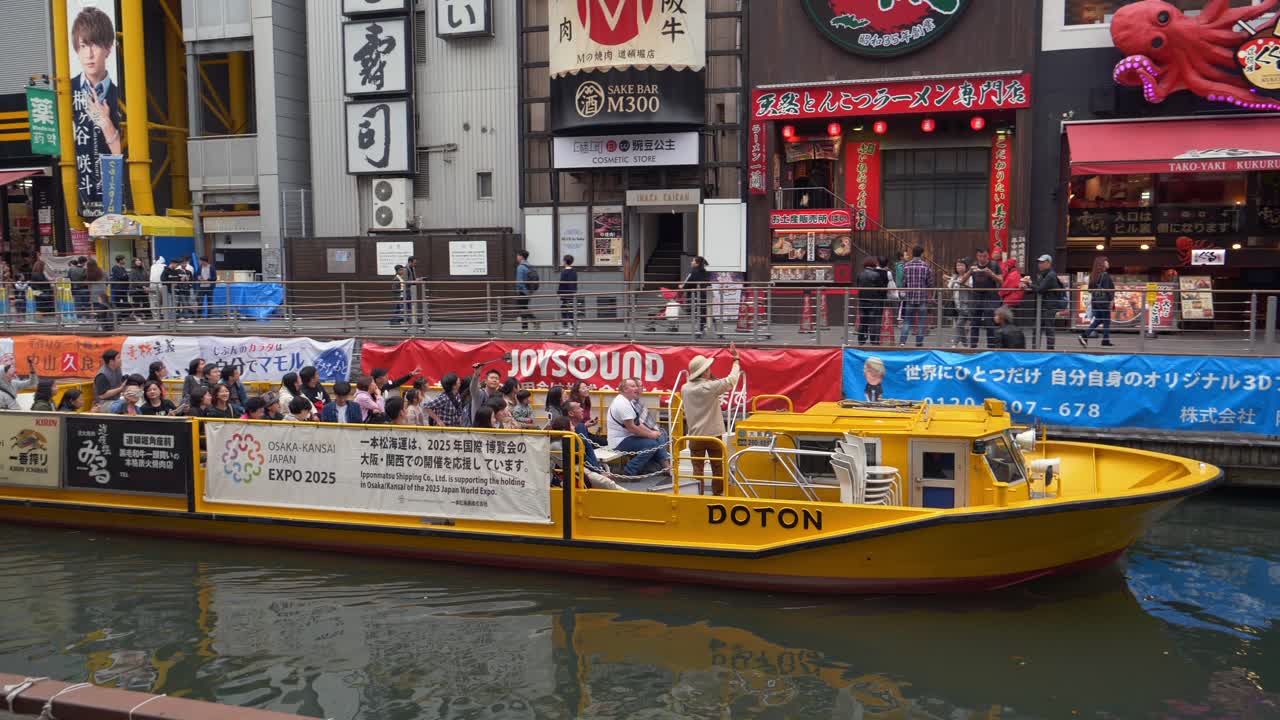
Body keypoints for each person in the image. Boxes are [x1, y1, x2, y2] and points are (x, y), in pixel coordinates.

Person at [70, 5, 123, 218]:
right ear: (76, 49)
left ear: (109, 48)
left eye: (96, 45)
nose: (89, 54)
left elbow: (124, 157)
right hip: (82, 188)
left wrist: (107, 125)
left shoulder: (121, 96)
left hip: (111, 190)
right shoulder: (67, 92)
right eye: (83, 46)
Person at [680, 342, 741, 496]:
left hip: (694, 434)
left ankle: (698, 494)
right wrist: (736, 359)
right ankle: (717, 494)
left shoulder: (685, 388)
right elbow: (731, 380)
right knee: (717, 467)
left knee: (697, 469)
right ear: (705, 372)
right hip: (714, 434)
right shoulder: (709, 387)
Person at [606, 378, 671, 478]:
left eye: (636, 386)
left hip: (627, 437)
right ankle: (629, 471)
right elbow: (631, 428)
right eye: (633, 386)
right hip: (619, 441)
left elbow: (638, 423)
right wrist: (650, 435)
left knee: (658, 435)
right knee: (651, 444)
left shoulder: (628, 401)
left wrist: (652, 432)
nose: (636, 388)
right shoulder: (622, 404)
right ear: (624, 389)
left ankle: (665, 467)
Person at [549, 414, 627, 491]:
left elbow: (580, 458)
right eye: (571, 425)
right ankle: (628, 495)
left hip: (578, 468)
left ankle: (627, 494)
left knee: (606, 482)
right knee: (606, 482)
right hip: (576, 470)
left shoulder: (571, 439)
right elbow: (574, 460)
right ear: (564, 430)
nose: (574, 427)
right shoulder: (556, 445)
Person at [1023, 254, 1065, 350]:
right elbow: (1037, 288)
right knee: (1038, 329)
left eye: (1043, 262)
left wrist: (1029, 283)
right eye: (1039, 262)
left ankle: (1048, 351)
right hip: (1043, 306)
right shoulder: (1043, 275)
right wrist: (1026, 287)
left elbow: (1040, 289)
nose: (1040, 264)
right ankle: (1036, 350)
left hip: (1048, 307)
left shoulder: (1050, 275)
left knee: (1048, 329)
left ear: (1049, 263)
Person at [898, 246, 932, 348]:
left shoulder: (906, 266)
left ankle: (902, 342)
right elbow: (930, 283)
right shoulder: (926, 266)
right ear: (921, 254)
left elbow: (904, 282)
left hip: (910, 298)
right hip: (922, 298)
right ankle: (919, 343)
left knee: (907, 321)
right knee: (922, 322)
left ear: (913, 253)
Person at [968, 248, 1002, 349]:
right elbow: (962, 281)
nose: (982, 258)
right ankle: (973, 346)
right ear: (977, 256)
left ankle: (991, 347)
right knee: (974, 322)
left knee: (990, 322)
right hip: (976, 297)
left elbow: (1001, 280)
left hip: (991, 297)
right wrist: (969, 271)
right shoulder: (974, 266)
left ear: (988, 255)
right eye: (979, 256)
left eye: (984, 256)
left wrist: (991, 274)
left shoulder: (994, 265)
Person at [1080, 255, 1115, 347]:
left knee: (1099, 320)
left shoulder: (1093, 275)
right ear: (1102, 263)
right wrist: (1111, 301)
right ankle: (1103, 340)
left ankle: (1086, 336)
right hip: (1104, 302)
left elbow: (1089, 290)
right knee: (1106, 320)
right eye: (1106, 261)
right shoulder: (1105, 275)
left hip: (1095, 302)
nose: (1108, 263)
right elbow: (1108, 290)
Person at [856, 258, 888, 346]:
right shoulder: (876, 275)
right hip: (874, 302)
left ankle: (861, 340)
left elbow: (858, 286)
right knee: (874, 321)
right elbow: (881, 289)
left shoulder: (860, 274)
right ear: (873, 264)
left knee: (863, 320)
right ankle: (874, 340)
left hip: (862, 301)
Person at [681, 255, 711, 338]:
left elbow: (687, 284)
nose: (691, 262)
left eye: (693, 261)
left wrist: (681, 287)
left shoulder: (693, 272)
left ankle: (700, 330)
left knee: (695, 312)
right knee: (704, 312)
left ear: (697, 264)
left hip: (695, 296)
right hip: (705, 295)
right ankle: (703, 328)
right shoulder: (705, 272)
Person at [948, 258, 973, 348]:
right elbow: (950, 287)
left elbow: (972, 288)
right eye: (958, 265)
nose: (959, 267)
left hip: (966, 304)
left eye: (962, 265)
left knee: (959, 324)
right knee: (960, 325)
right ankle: (965, 343)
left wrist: (962, 283)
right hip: (956, 304)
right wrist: (951, 279)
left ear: (966, 267)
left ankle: (955, 343)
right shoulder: (955, 276)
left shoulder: (969, 277)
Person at [514, 249, 537, 332]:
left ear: (521, 256)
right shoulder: (529, 266)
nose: (516, 257)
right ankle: (527, 327)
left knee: (522, 308)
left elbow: (519, 282)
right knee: (523, 308)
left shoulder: (520, 267)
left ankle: (528, 326)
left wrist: (524, 291)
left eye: (517, 255)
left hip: (523, 291)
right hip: (529, 290)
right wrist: (529, 292)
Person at [86, 258, 112, 330]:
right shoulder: (102, 271)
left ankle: (100, 325)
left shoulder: (89, 272)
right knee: (103, 308)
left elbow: (88, 284)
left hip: (94, 293)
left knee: (97, 309)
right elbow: (108, 280)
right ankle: (105, 325)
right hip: (102, 291)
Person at [998, 258, 1025, 326]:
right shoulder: (1017, 274)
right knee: (1015, 323)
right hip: (1016, 302)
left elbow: (1005, 289)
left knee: (1006, 322)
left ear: (1009, 266)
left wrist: (1000, 294)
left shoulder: (1011, 275)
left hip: (1009, 302)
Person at [557, 254, 579, 335]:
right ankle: (570, 327)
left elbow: (561, 283)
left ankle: (569, 328)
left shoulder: (564, 272)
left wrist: (558, 293)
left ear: (565, 261)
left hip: (565, 293)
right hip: (572, 292)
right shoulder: (574, 271)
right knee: (568, 309)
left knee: (566, 310)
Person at [149, 256, 167, 320]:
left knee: (154, 303)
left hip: (153, 286)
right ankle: (164, 317)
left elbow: (151, 278)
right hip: (162, 286)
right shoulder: (165, 266)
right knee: (164, 303)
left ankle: (156, 318)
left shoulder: (152, 267)